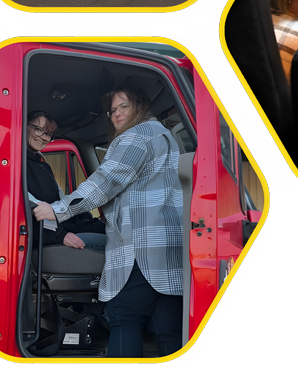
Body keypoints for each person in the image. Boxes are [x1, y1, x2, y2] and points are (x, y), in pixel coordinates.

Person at [33, 87, 183, 358]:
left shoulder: (137, 136)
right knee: (166, 326)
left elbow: (105, 182)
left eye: (123, 107)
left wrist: (57, 211)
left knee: (122, 315)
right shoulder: (165, 136)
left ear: (140, 105)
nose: (116, 115)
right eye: (113, 110)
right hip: (167, 244)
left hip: (143, 245)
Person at [26, 111, 106, 250]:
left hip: (61, 228)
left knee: (110, 233)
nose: (44, 138)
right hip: (47, 239)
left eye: (48, 134)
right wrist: (61, 235)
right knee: (115, 244)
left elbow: (59, 199)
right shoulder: (16, 164)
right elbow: (33, 208)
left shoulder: (42, 165)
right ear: (23, 125)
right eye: (39, 130)